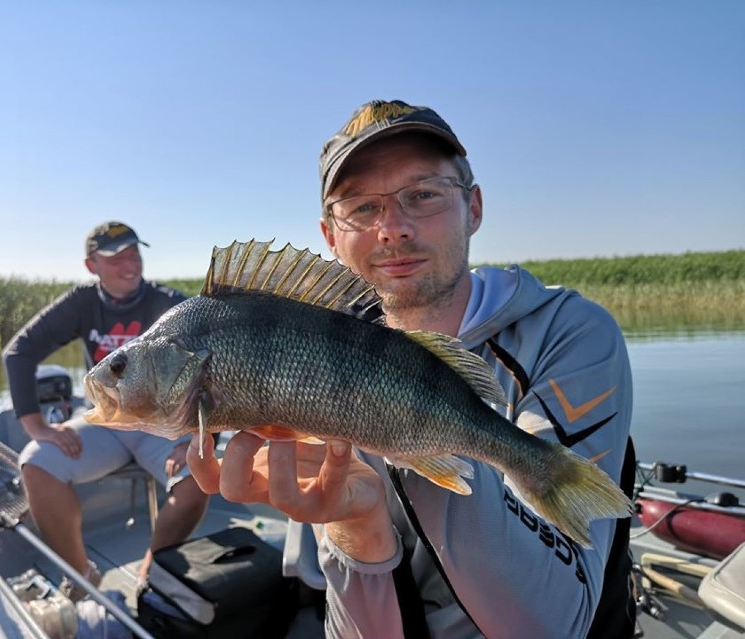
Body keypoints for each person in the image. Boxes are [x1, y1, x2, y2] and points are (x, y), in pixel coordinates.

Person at [187, 100, 635, 637]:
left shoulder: (567, 332)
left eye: (422, 195)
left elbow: (555, 624)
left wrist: (416, 431)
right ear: (330, 236)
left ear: (474, 207)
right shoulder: (309, 363)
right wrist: (358, 525)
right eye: (360, 207)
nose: (393, 229)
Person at [3, 221, 209, 600]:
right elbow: (19, 352)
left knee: (199, 475)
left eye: (135, 253)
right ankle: (82, 575)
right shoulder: (82, 303)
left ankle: (152, 569)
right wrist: (38, 428)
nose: (130, 264)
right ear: (91, 265)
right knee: (35, 463)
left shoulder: (171, 305)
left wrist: (196, 439)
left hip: (163, 426)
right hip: (106, 421)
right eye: (117, 258)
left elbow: (211, 376)